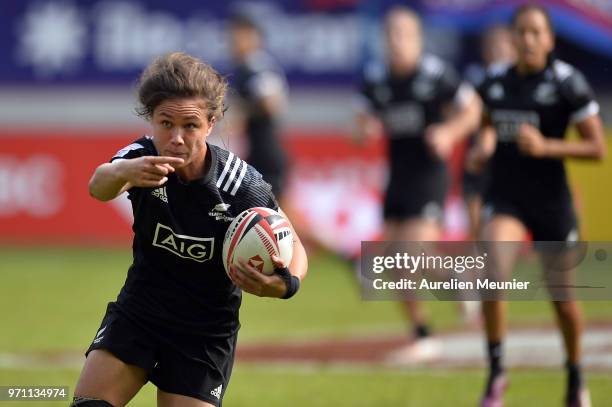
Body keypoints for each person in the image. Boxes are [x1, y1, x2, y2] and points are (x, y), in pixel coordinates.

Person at [72, 52, 308, 407]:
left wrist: (286, 285)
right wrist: (124, 173)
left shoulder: (239, 182)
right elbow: (97, 185)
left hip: (204, 334)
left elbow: (294, 244)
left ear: (211, 124)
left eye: (190, 125)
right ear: (151, 119)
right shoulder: (141, 156)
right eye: (166, 123)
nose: (177, 138)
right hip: (140, 313)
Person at [470, 5, 605, 407]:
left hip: (551, 203)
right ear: (512, 39)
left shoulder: (567, 83)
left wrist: (548, 147)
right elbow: (483, 122)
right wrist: (483, 146)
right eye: (521, 32)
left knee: (563, 302)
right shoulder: (494, 80)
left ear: (549, 40)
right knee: (493, 276)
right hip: (506, 197)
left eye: (535, 32)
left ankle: (576, 375)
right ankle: (496, 374)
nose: (528, 39)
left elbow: (596, 147)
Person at [353, 6, 482, 362]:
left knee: (410, 251)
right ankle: (422, 332)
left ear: (417, 39)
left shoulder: (435, 74)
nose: (396, 41)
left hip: (430, 174)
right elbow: (361, 120)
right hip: (398, 176)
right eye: (390, 34)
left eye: (404, 34)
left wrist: (449, 131)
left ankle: (459, 284)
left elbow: (473, 110)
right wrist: (365, 130)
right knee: (395, 262)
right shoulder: (377, 78)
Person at [462, 24, 517, 239]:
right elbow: (465, 114)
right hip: (478, 164)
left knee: (498, 232)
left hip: (509, 166)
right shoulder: (475, 81)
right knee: (476, 230)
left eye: (502, 45)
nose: (497, 51)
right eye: (492, 46)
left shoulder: (522, 84)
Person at [227, 12, 289, 199]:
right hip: (256, 153)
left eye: (238, 36)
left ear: (253, 37)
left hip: (266, 153)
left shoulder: (256, 65)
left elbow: (272, 103)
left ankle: (323, 231)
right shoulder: (244, 67)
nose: (233, 43)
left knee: (278, 216)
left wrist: (241, 112)